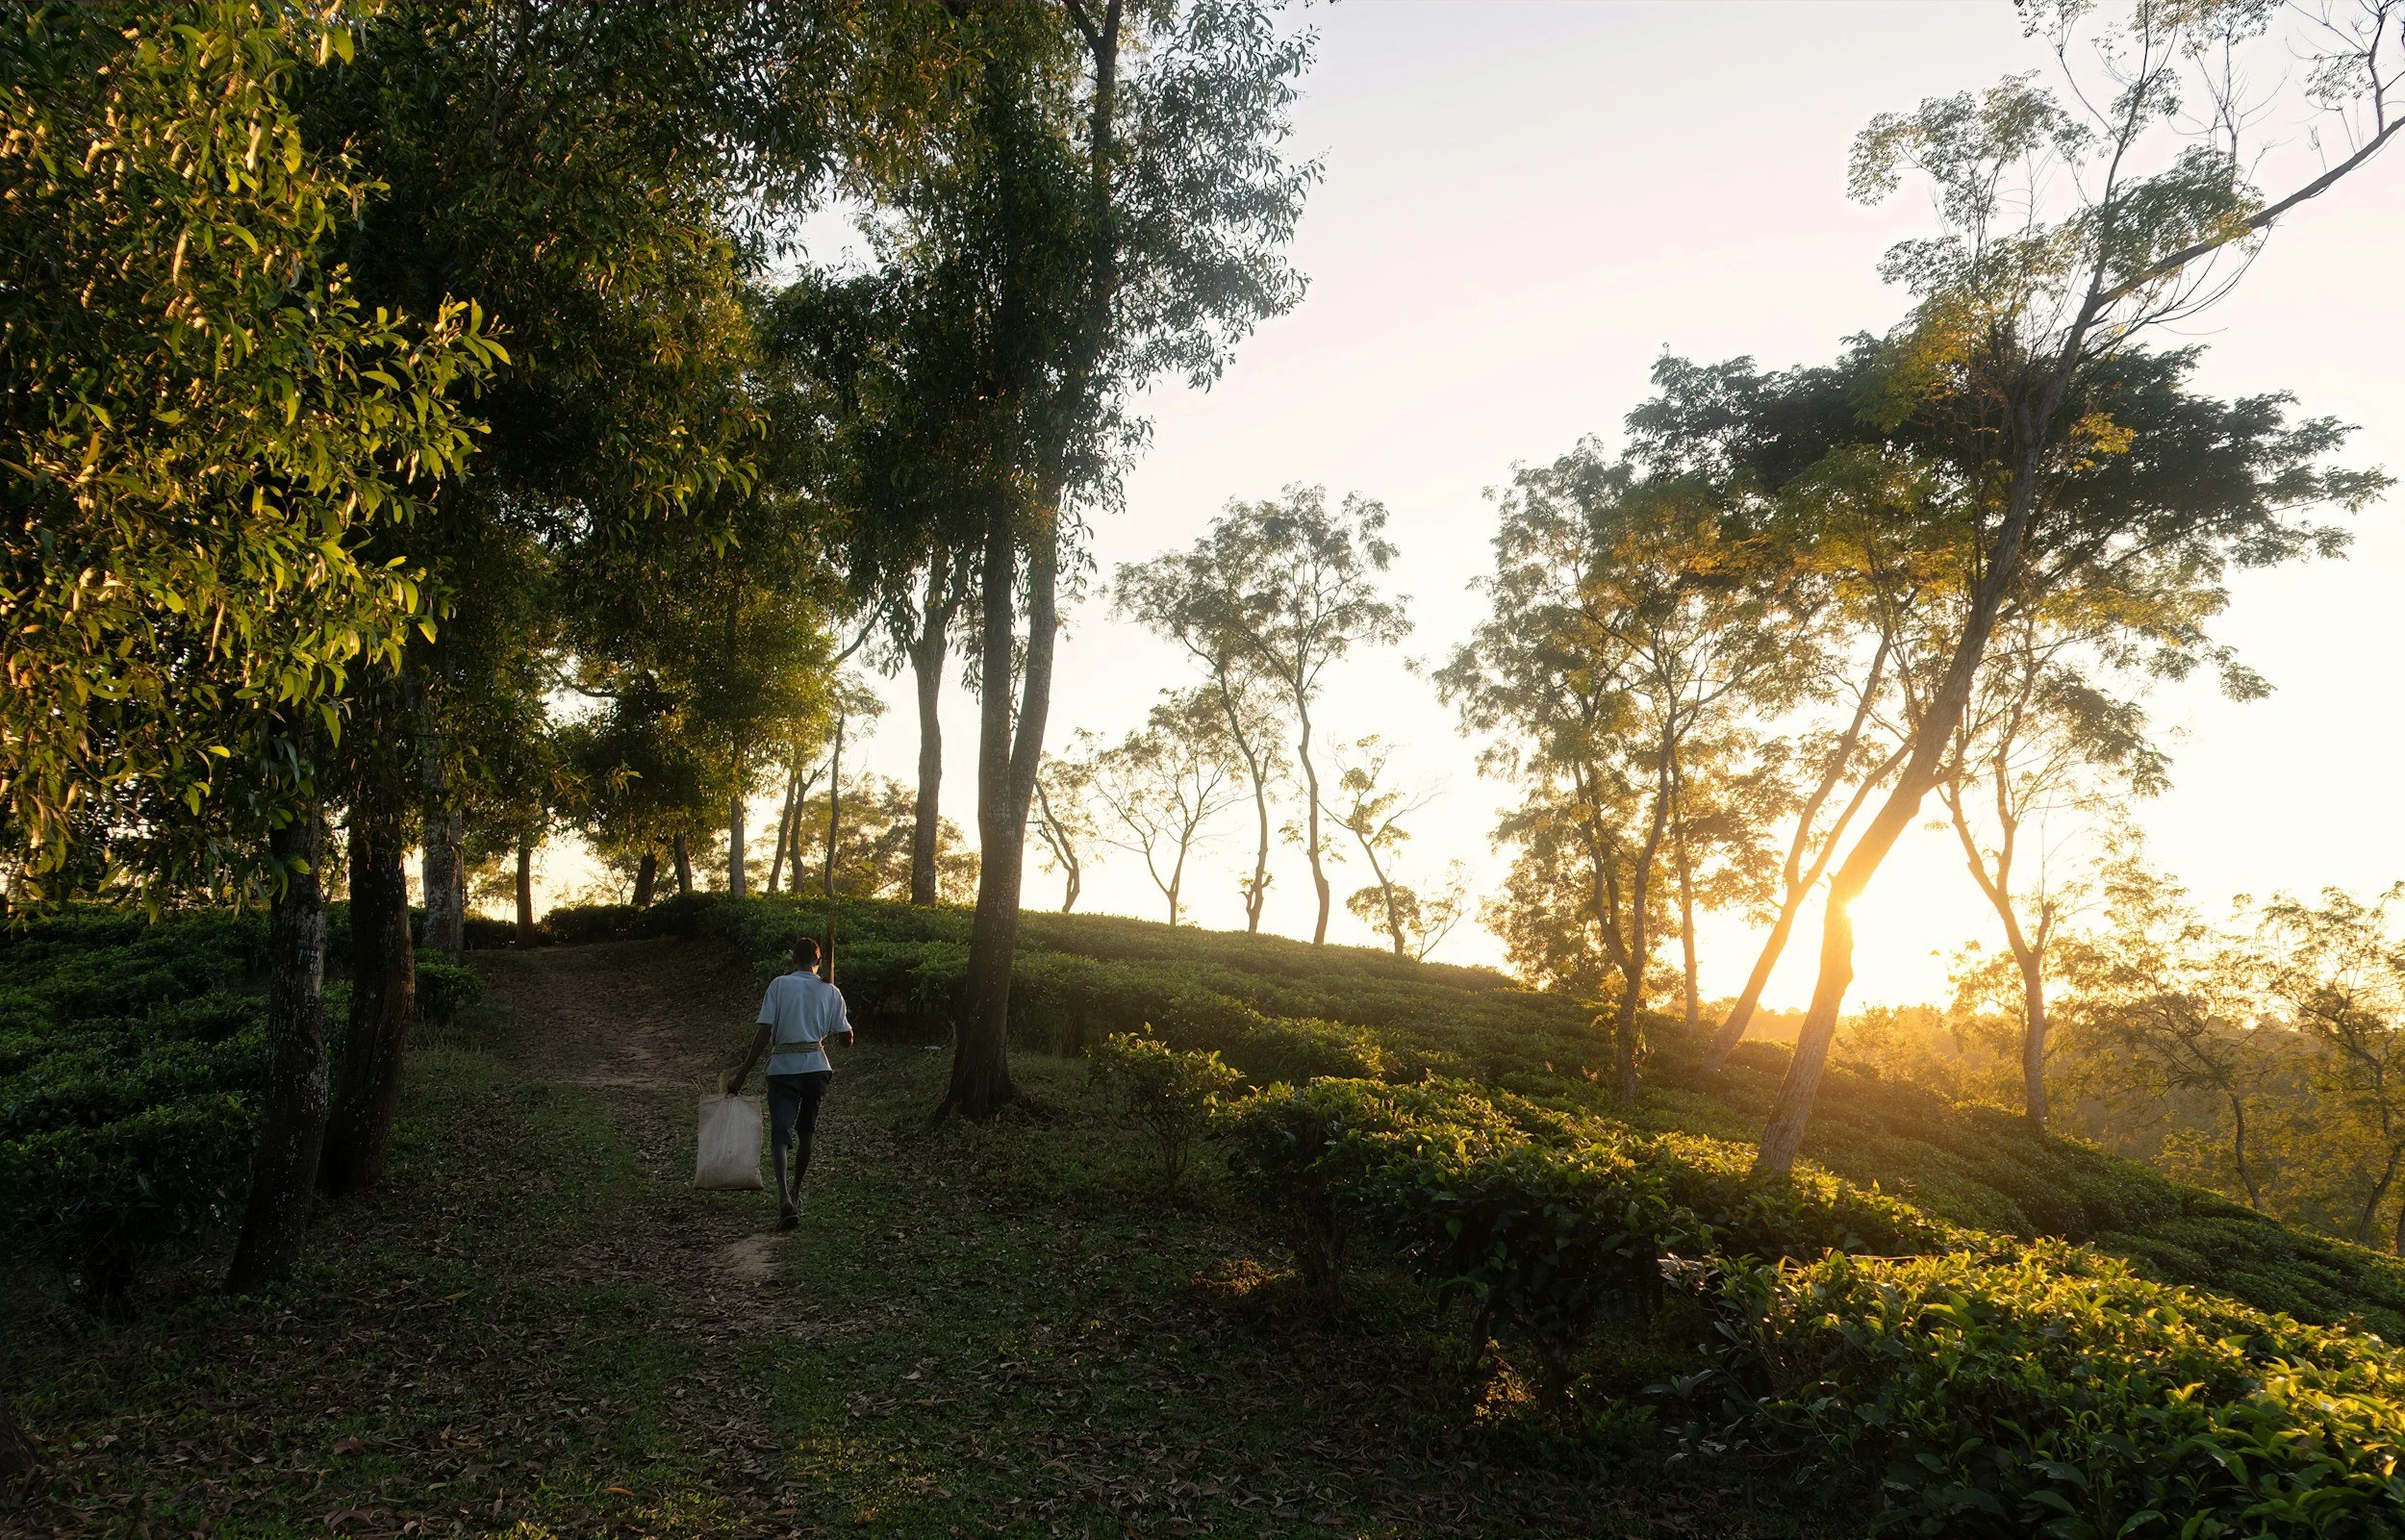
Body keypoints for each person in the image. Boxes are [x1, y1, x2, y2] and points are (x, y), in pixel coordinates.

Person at [722, 934, 853, 1230]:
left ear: (792, 959)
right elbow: (845, 1040)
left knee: (780, 1132)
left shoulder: (779, 985)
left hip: (782, 1069)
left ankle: (784, 1197)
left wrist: (741, 1075)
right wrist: (846, 1032)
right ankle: (796, 1191)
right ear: (818, 961)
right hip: (816, 1068)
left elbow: (763, 1034)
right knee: (806, 1131)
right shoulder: (831, 991)